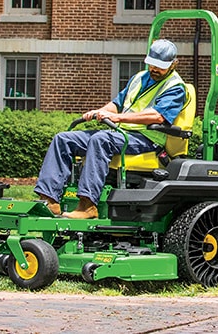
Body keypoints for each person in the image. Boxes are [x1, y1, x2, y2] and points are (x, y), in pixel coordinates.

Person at [33, 39, 187, 219]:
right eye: (152, 64)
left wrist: (118, 117)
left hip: (146, 139)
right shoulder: (139, 78)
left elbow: (158, 116)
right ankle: (49, 199)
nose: (154, 69)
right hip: (121, 134)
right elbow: (117, 103)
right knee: (64, 139)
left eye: (160, 66)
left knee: (101, 140)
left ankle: (88, 205)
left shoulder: (176, 87)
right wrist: (101, 112)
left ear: (173, 64)